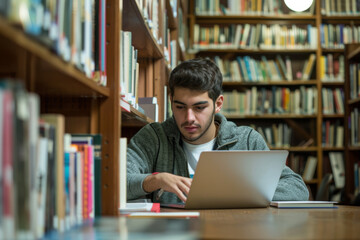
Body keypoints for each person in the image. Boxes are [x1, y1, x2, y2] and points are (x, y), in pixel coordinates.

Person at [127, 58, 309, 204]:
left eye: (199, 107)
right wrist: (156, 180)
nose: (189, 117)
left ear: (218, 104)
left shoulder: (246, 140)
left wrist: (232, 192)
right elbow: (118, 182)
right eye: (180, 107)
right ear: (171, 101)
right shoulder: (153, 137)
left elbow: (296, 188)